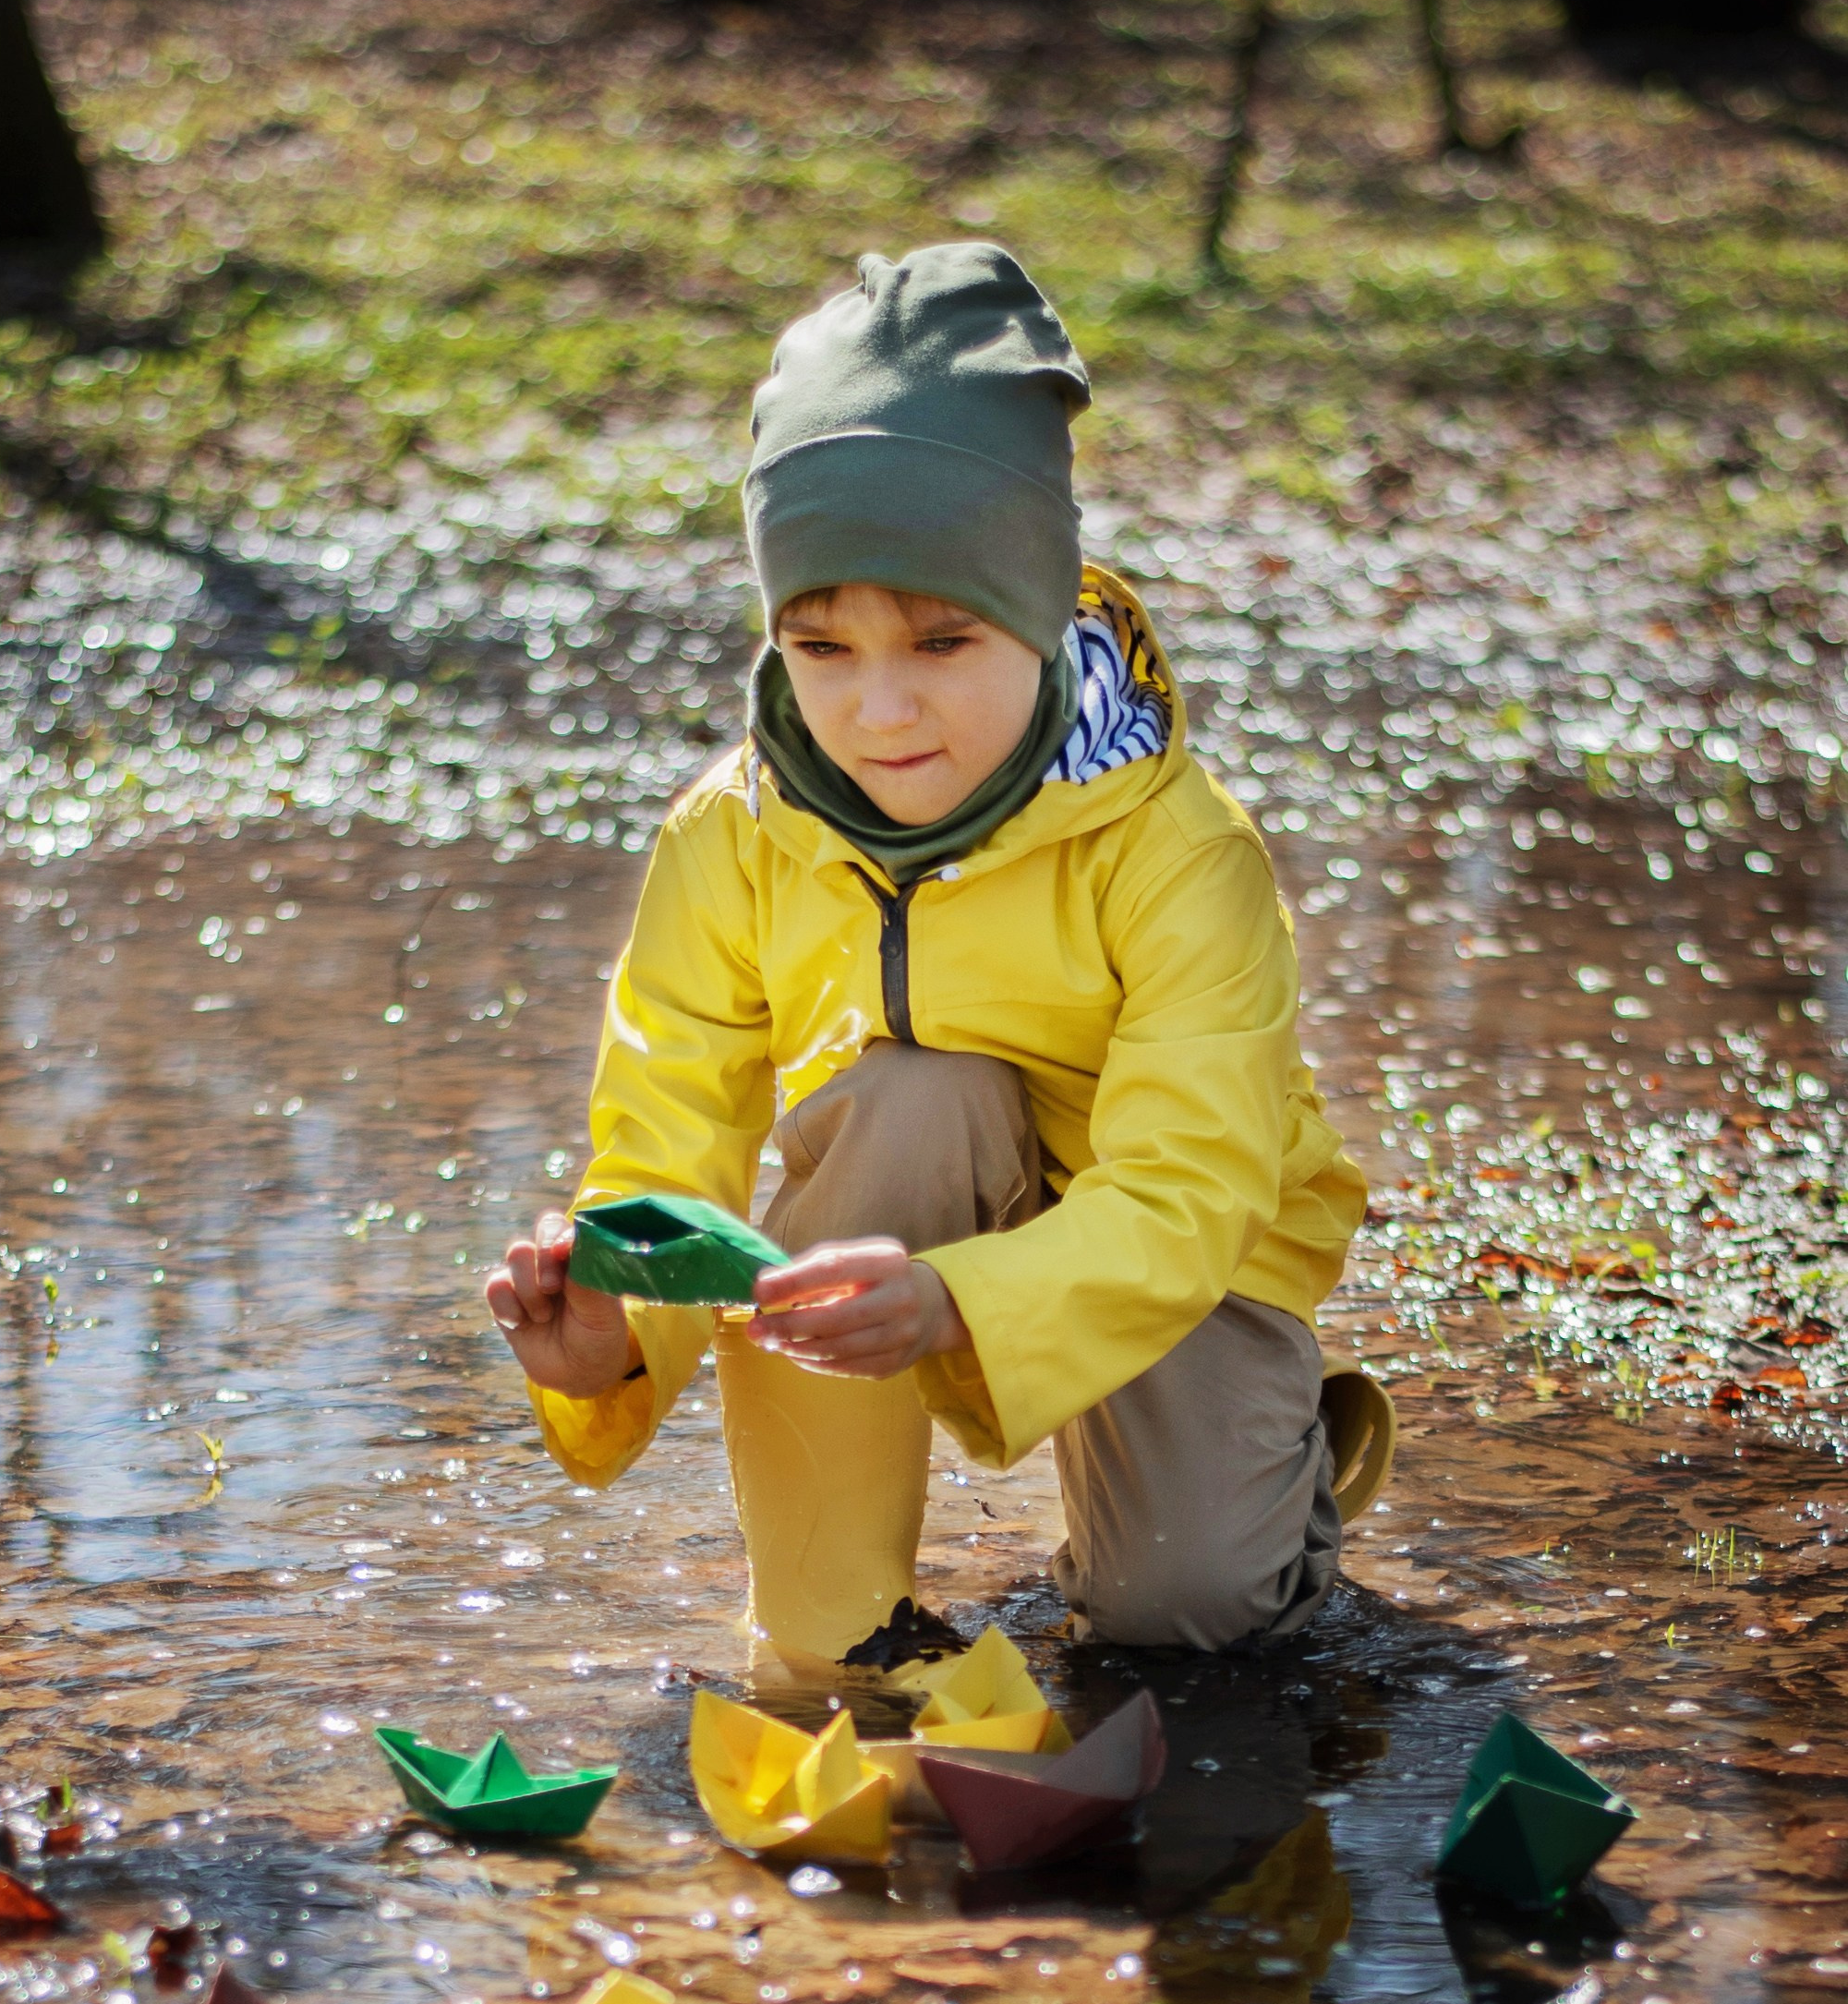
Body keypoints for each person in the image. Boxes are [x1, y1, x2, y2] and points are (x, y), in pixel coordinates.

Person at [485, 242, 1390, 1671]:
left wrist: (965, 1301)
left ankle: (1266, 1478)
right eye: (821, 645)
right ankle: (843, 1623)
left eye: (943, 637)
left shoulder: (1177, 846)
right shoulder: (729, 835)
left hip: (1174, 1244)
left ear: (1035, 607)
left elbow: (1188, 1184)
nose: (881, 710)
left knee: (1188, 1620)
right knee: (902, 1095)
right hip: (900, 1198)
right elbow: (669, 1156)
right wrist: (607, 1336)